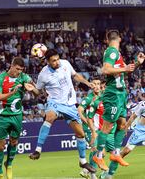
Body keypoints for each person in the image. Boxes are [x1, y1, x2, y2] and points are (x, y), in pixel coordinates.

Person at [28, 49, 95, 174]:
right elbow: (38, 92)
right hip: (55, 102)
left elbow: (75, 75)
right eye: (54, 61)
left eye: (57, 59)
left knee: (80, 134)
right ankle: (38, 150)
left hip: (70, 105)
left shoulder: (65, 63)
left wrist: (87, 83)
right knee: (50, 117)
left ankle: (83, 161)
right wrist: (32, 89)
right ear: (47, 61)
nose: (57, 62)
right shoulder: (44, 74)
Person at [92, 30, 145, 171]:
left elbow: (125, 70)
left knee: (122, 124)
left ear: (106, 39)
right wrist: (125, 67)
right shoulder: (112, 52)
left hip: (121, 94)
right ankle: (98, 155)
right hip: (113, 94)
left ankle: (115, 153)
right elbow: (105, 69)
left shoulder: (118, 54)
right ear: (119, 39)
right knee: (108, 126)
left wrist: (136, 63)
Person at [0, 57, 37, 179]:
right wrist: (12, 93)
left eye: (21, 70)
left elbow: (38, 93)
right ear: (11, 66)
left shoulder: (24, 77)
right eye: (17, 69)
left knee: (14, 142)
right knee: (0, 145)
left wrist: (32, 89)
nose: (19, 72)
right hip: (2, 116)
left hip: (17, 115)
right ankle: (0, 171)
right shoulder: (0, 78)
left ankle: (9, 165)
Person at [101, 100, 145, 179]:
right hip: (141, 131)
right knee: (125, 152)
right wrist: (126, 129)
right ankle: (108, 172)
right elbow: (133, 116)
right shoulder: (143, 104)